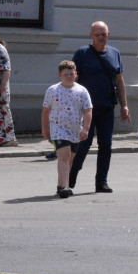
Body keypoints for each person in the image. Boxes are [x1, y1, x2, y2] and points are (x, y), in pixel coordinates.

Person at [69, 22, 129, 192]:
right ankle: (72, 174)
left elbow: (119, 80)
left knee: (106, 145)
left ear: (108, 34)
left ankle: (101, 181)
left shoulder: (114, 53)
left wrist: (124, 105)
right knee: (83, 144)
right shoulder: (82, 53)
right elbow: (72, 79)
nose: (101, 37)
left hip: (107, 106)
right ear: (91, 35)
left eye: (103, 34)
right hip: (85, 108)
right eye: (97, 35)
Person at [41, 60, 92, 199]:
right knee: (64, 155)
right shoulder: (53, 90)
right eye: (65, 74)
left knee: (70, 159)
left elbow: (88, 111)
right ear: (60, 75)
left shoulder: (82, 91)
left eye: (71, 74)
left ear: (76, 74)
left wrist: (86, 129)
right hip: (58, 128)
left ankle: (61, 184)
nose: (69, 76)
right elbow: (46, 111)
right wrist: (45, 129)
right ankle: (65, 187)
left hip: (75, 129)